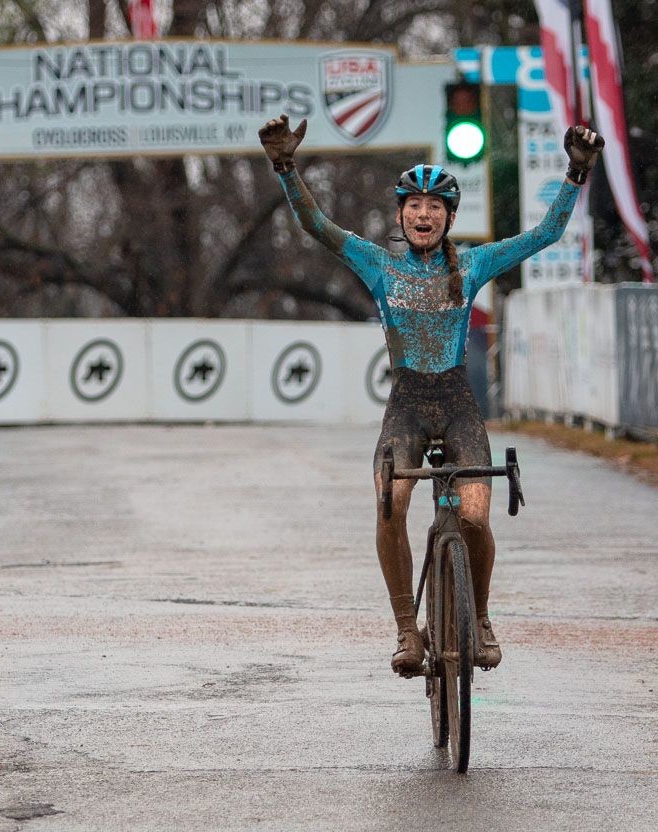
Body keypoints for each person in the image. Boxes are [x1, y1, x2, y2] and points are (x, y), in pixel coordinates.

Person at [258, 113, 603, 675]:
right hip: (407, 405)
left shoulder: (472, 263)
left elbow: (545, 235)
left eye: (435, 208)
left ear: (448, 218)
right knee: (389, 504)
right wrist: (284, 166)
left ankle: (482, 616)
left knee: (473, 515)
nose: (424, 215)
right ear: (400, 215)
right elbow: (317, 224)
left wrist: (575, 174)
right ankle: (405, 631)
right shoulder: (379, 264)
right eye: (414, 207)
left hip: (458, 403)